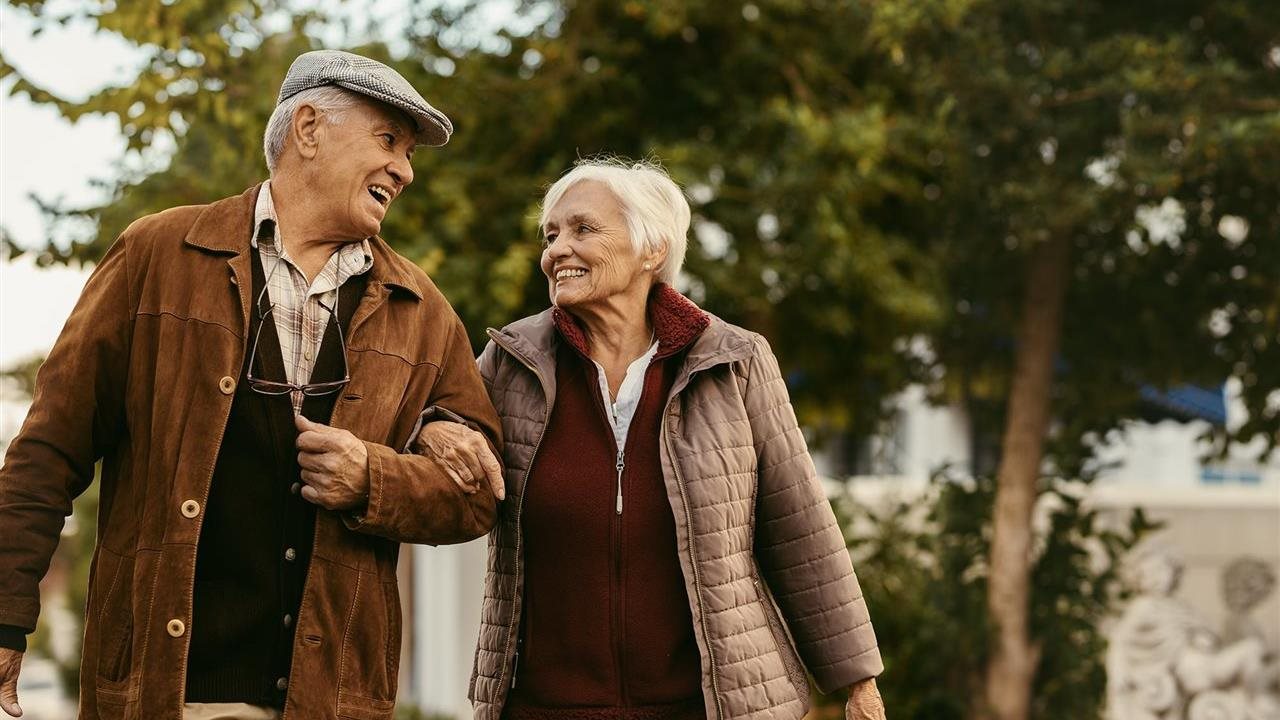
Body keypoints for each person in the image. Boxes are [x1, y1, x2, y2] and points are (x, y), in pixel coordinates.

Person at [0, 50, 503, 720]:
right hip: (164, 695)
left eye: (410, 154)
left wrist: (373, 480)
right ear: (308, 129)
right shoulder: (158, 254)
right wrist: (5, 617)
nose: (405, 172)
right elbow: (48, 449)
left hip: (329, 705)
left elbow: (478, 498)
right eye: (388, 142)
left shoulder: (422, 310)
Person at [455, 158, 886, 720]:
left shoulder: (733, 361)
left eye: (583, 229)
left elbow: (798, 525)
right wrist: (438, 432)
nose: (557, 250)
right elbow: (442, 433)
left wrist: (857, 680)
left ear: (651, 249)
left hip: (706, 706)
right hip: (545, 706)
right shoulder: (511, 363)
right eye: (551, 234)